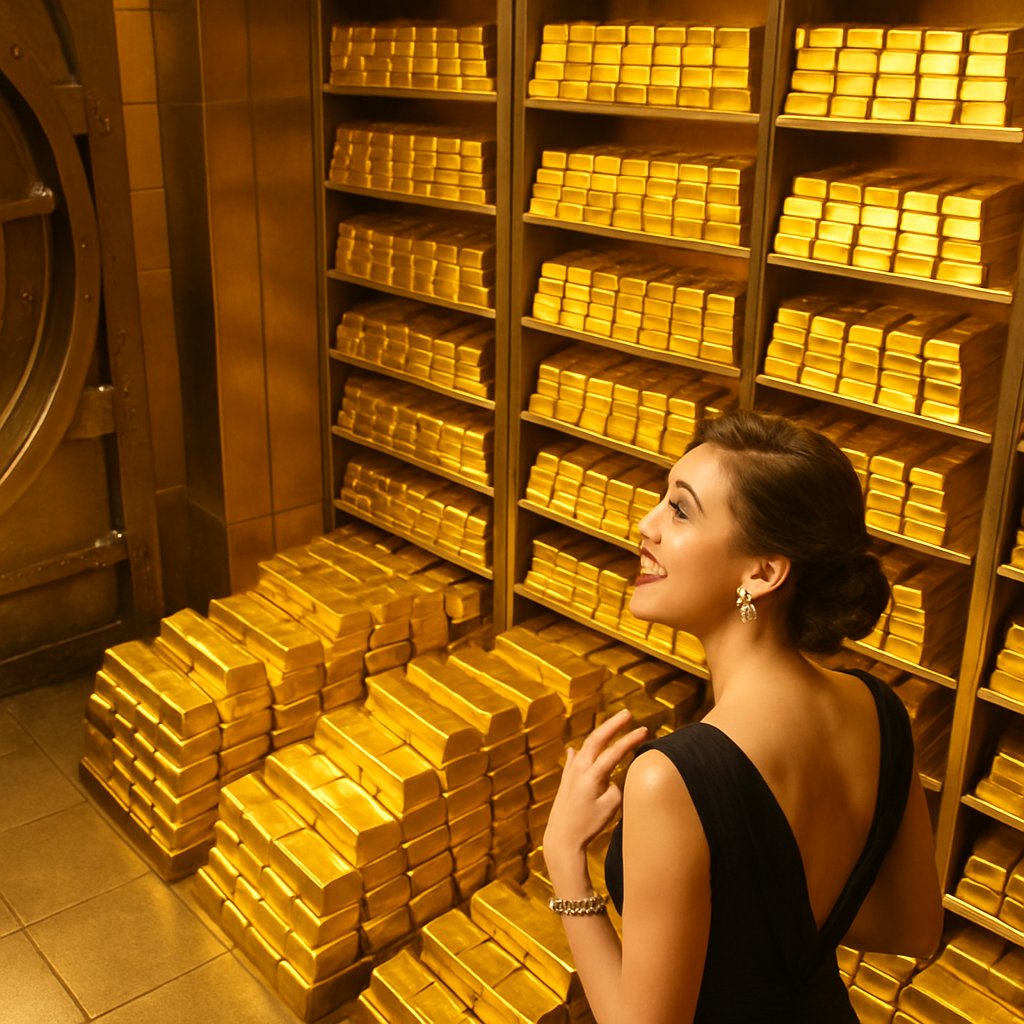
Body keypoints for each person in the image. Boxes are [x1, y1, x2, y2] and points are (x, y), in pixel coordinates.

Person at [542, 409, 943, 1023]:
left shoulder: (673, 779)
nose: (644, 525)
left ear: (762, 572)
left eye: (679, 509)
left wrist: (566, 859)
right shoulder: (881, 710)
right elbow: (913, 930)